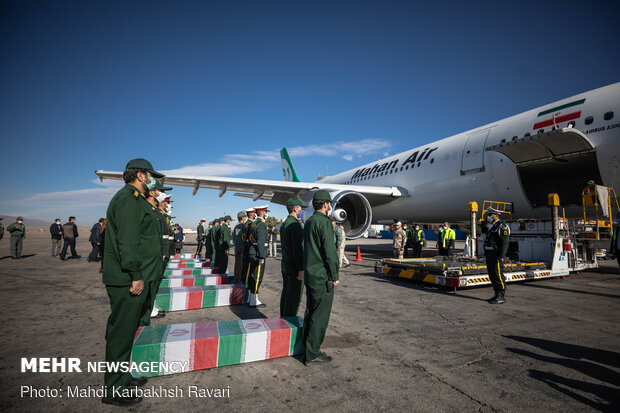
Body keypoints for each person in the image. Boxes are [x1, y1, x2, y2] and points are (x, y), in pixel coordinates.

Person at [102, 158, 164, 406]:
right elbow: (128, 242)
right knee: (121, 333)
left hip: (137, 276)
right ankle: (113, 390)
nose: (151, 179)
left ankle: (122, 377)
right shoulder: (128, 199)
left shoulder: (136, 200)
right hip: (128, 279)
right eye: (149, 175)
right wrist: (136, 275)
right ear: (140, 175)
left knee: (127, 333)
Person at [303, 190, 339, 365]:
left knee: (310, 311)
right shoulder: (324, 223)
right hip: (322, 276)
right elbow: (330, 253)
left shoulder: (309, 222)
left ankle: (307, 346)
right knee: (320, 315)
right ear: (325, 204)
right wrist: (334, 275)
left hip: (310, 274)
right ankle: (312, 353)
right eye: (329, 204)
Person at [280, 197, 307, 317]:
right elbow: (298, 250)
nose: (302, 210)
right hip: (294, 267)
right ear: (296, 209)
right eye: (300, 208)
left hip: (286, 263)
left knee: (286, 293)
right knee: (293, 297)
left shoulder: (285, 223)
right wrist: (301, 269)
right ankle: (288, 322)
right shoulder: (295, 226)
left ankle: (283, 317)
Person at [484, 207, 510, 304]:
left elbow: (505, 242)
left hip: (496, 254)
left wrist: (502, 255)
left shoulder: (502, 226)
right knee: (492, 274)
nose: (489, 217)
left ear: (496, 215)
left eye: (490, 215)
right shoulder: (491, 226)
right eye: (488, 215)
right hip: (490, 254)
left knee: (498, 274)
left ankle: (501, 296)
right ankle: (496, 294)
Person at [248, 206, 269, 307]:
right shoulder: (261, 225)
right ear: (262, 213)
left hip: (253, 252)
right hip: (257, 253)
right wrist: (262, 256)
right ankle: (254, 300)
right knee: (257, 277)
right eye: (265, 212)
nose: (266, 214)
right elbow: (261, 242)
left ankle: (251, 297)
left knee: (253, 275)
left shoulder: (254, 223)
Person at [232, 211, 247, 284]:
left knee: (237, 265)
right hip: (241, 248)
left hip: (237, 248)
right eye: (244, 217)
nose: (245, 218)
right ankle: (239, 282)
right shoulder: (242, 226)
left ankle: (236, 280)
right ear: (242, 218)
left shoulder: (236, 226)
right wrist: (242, 250)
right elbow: (241, 239)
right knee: (240, 266)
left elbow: (234, 238)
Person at [242, 208, 256, 284]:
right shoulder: (250, 224)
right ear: (251, 214)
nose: (255, 214)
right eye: (254, 213)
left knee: (245, 267)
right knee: (247, 268)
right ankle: (245, 285)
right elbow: (249, 237)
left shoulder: (246, 223)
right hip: (248, 247)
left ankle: (244, 282)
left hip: (245, 247)